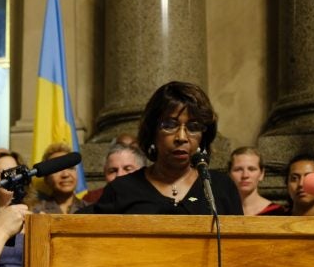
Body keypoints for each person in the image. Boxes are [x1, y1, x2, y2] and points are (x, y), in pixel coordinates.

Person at [94, 81, 243, 215]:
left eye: (193, 127)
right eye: (170, 125)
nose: (182, 137)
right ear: (152, 132)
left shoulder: (221, 187)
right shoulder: (122, 190)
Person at [81, 140, 149, 207]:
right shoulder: (91, 201)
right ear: (105, 173)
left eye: (127, 169)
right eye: (113, 171)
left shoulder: (155, 202)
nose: (119, 175)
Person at [32, 143, 89, 214]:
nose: (65, 174)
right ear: (46, 178)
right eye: (57, 170)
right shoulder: (35, 212)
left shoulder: (91, 210)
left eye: (70, 167)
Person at [227, 146, 285, 215]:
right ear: (229, 174)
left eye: (251, 169)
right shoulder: (221, 211)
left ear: (261, 174)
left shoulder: (277, 212)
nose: (245, 175)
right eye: (238, 169)